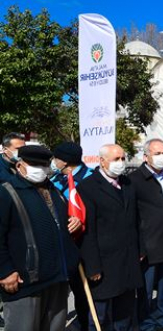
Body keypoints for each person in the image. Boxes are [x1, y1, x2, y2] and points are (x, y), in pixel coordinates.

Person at [0, 145, 78, 331]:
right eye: (34, 164)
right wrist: (5, 270)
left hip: (57, 278)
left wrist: (74, 221)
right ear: (19, 166)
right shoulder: (7, 192)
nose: (41, 169)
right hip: (25, 282)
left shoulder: (53, 190)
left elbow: (57, 221)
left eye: (44, 165)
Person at [77, 144, 143, 331]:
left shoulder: (128, 184)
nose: (120, 163)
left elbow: (136, 219)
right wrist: (92, 266)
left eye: (123, 158)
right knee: (101, 315)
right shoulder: (88, 187)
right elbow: (87, 231)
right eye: (116, 159)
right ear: (102, 161)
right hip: (104, 263)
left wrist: (140, 249)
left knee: (126, 312)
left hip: (128, 259)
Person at [129, 139, 163, 331]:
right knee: (145, 290)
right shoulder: (135, 180)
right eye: (157, 153)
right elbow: (132, 216)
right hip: (149, 246)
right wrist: (139, 246)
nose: (162, 157)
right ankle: (145, 324)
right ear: (146, 156)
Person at [49, 142, 93, 331]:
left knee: (88, 292)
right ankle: (83, 321)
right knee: (76, 289)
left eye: (55, 158)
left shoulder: (91, 179)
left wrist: (82, 221)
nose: (53, 161)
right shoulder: (56, 180)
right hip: (65, 244)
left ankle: (90, 323)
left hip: (87, 242)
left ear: (64, 161)